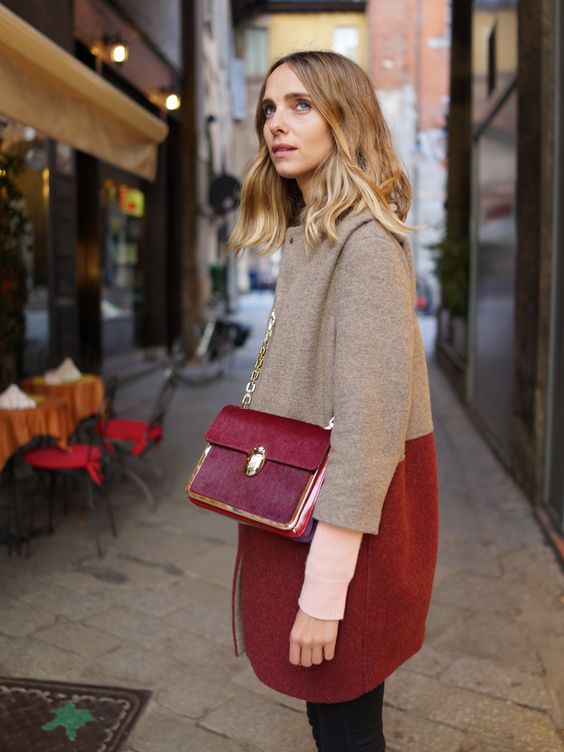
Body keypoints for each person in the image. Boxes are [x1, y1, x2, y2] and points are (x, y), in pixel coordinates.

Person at [227, 51, 439, 752]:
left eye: (300, 105)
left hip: (341, 531)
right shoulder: (315, 234)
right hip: (302, 515)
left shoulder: (365, 241)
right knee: (328, 718)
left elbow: (370, 428)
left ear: (345, 119)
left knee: (348, 731)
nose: (275, 124)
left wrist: (324, 591)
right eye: (269, 108)